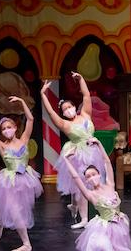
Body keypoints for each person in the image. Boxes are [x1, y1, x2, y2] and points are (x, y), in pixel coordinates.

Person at [55, 139, 131, 251]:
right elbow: (75, 177)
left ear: (99, 174)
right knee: (103, 246)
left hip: (118, 226)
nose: (92, 178)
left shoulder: (110, 185)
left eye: (93, 174)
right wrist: (66, 159)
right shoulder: (91, 195)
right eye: (88, 177)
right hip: (103, 227)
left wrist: (99, 144)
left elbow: (107, 162)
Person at [41, 72, 106, 229]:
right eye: (65, 109)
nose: (68, 110)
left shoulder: (85, 114)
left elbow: (86, 96)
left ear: (74, 107)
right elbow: (50, 113)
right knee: (81, 185)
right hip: (78, 154)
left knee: (95, 183)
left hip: (93, 151)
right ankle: (84, 218)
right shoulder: (65, 124)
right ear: (63, 113)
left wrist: (81, 79)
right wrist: (43, 95)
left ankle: (81, 207)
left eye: (69, 107)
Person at [0, 97, 42, 251]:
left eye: (9, 127)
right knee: (13, 210)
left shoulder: (24, 140)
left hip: (25, 180)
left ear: (15, 127)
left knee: (10, 207)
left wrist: (22, 102)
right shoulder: (2, 146)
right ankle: (26, 244)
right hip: (9, 181)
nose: (6, 130)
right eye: (4, 129)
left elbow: (30, 119)